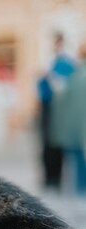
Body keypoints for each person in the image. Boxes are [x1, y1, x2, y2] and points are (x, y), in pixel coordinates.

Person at [38, 32, 75, 190]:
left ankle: (56, 178)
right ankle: (49, 177)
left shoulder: (66, 63)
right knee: (46, 142)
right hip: (47, 106)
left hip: (59, 107)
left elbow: (65, 86)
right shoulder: (49, 61)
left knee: (57, 142)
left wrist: (51, 77)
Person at [51, 42, 86, 195]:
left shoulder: (75, 76)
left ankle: (80, 190)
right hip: (78, 127)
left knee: (78, 160)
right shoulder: (76, 75)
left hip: (76, 128)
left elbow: (63, 99)